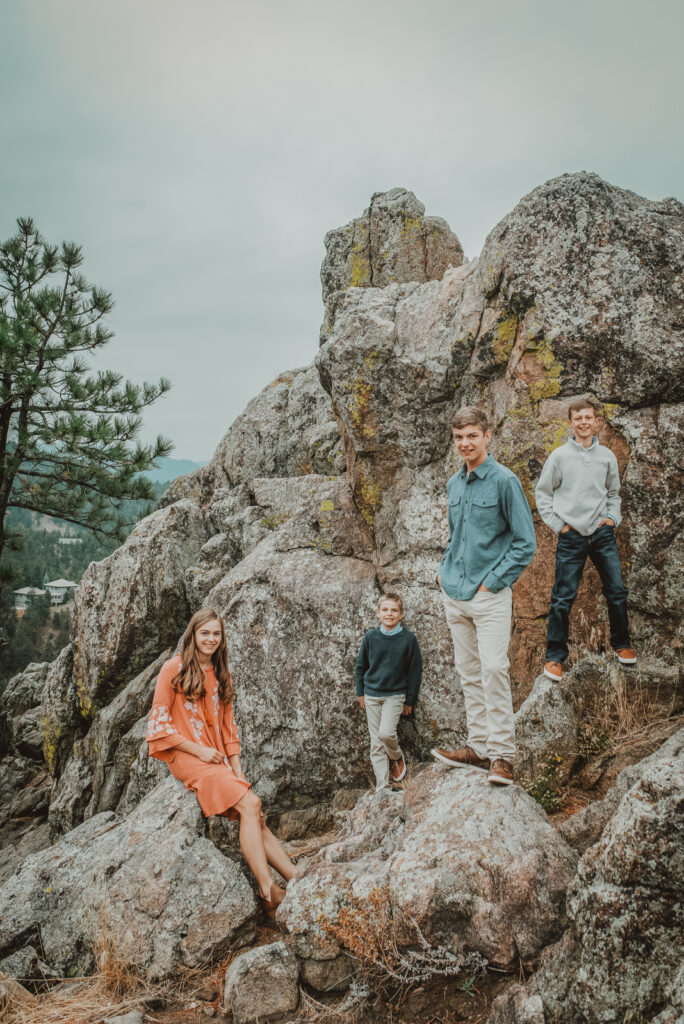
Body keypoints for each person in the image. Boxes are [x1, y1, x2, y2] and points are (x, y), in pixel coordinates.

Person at [146, 608, 294, 915]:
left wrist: (236, 768)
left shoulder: (221, 672)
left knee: (255, 814)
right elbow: (158, 724)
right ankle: (268, 891)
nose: (211, 639)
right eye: (205, 633)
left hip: (216, 757)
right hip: (187, 756)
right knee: (251, 806)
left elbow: (228, 728)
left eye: (216, 633)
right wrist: (198, 751)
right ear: (193, 635)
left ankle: (295, 878)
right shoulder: (172, 669)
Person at [432, 407, 536, 786]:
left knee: (494, 670)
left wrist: (492, 582)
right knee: (468, 673)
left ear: (487, 436)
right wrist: (443, 572)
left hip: (489, 595)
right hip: (454, 591)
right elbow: (455, 536)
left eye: (472, 436)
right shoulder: (453, 485)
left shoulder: (505, 481)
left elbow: (526, 543)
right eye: (459, 437)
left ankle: (503, 756)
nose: (465, 443)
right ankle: (478, 748)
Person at [535, 397, 636, 680]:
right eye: (578, 418)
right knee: (562, 597)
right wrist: (559, 526)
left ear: (596, 422)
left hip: (601, 533)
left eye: (588, 418)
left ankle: (622, 644)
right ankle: (555, 657)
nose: (583, 422)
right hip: (572, 536)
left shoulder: (606, 456)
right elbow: (543, 494)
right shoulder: (559, 457)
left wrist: (612, 519)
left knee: (616, 591)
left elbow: (613, 492)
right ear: (570, 423)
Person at [355, 592, 422, 791]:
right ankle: (382, 787)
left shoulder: (408, 639)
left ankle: (396, 756)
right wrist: (361, 693)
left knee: (386, 734)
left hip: (395, 695)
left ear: (401, 614)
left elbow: (414, 671)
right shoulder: (370, 637)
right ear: (378, 613)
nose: (389, 614)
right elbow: (361, 667)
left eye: (394, 610)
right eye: (385, 610)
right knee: (375, 744)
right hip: (372, 695)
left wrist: (410, 700)